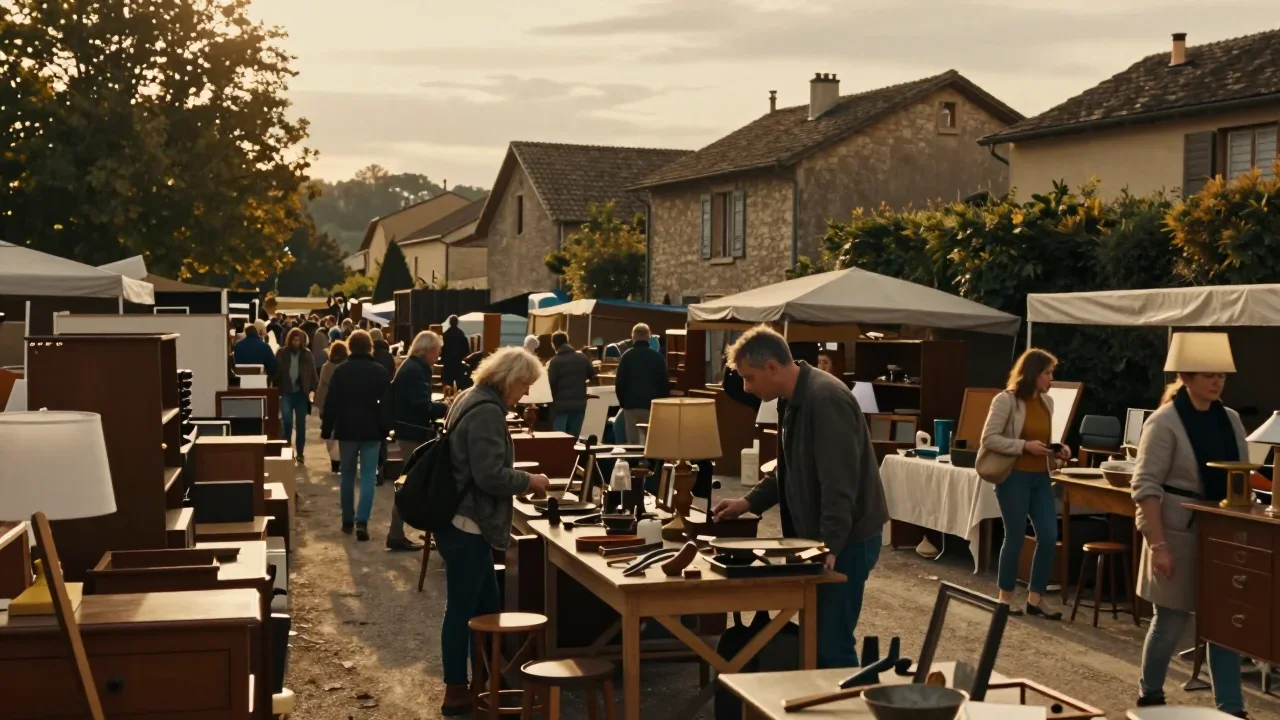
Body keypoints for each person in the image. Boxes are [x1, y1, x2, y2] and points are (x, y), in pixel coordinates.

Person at [713, 326, 887, 669]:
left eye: (749, 378)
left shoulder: (825, 399)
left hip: (848, 538)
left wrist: (829, 546)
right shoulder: (791, 398)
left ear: (772, 367)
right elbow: (790, 466)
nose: (746, 387)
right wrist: (748, 502)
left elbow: (840, 484)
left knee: (830, 643)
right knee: (816, 637)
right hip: (826, 538)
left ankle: (848, 699)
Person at [1133, 334, 1247, 716]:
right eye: (1208, 375)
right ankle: (1150, 695)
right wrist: (1158, 545)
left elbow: (1240, 476)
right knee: (1170, 621)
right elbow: (1145, 485)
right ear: (1186, 377)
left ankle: (1231, 708)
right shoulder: (1164, 422)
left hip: (1221, 530)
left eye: (1221, 375)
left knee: (1223, 623)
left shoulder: (1231, 420)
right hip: (1176, 531)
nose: (1217, 382)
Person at [436, 348, 552, 715]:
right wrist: (530, 480)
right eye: (524, 384)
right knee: (464, 609)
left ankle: (487, 681)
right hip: (469, 523)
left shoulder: (471, 397)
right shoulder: (487, 410)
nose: (526, 392)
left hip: (463, 521)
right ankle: (457, 689)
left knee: (486, 607)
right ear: (509, 379)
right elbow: (489, 476)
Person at [980, 349, 1071, 619]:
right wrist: (1024, 446)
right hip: (1014, 476)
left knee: (1049, 536)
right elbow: (989, 438)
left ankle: (1035, 598)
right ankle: (1005, 598)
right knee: (1015, 536)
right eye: (1047, 373)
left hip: (1041, 477)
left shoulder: (1047, 402)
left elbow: (1040, 439)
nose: (1051, 378)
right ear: (1033, 374)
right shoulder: (1006, 400)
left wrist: (1057, 449)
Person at [320, 330, 391, 542]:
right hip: (372, 430)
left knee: (347, 475)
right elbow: (389, 404)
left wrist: (327, 429)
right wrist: (386, 429)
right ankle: (362, 521)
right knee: (368, 476)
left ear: (350, 347)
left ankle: (347, 520)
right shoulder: (380, 372)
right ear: (370, 347)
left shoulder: (341, 371)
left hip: (347, 429)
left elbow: (331, 402)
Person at [385, 331, 448, 551]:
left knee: (414, 484)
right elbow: (421, 405)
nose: (438, 357)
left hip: (410, 431)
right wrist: (445, 407)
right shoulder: (415, 370)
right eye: (437, 352)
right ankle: (396, 534)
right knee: (412, 485)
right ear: (427, 350)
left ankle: (399, 533)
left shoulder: (412, 366)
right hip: (413, 433)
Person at [614, 323, 669, 444]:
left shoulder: (626, 356)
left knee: (633, 442)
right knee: (651, 442)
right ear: (649, 336)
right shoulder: (658, 358)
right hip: (652, 407)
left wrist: (623, 403)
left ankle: (634, 456)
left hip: (631, 406)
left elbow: (619, 383)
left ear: (633, 336)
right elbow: (664, 384)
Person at [273, 328, 319, 463]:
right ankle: (287, 447)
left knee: (300, 425)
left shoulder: (307, 354)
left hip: (301, 394)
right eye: (294, 340)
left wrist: (314, 390)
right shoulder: (282, 353)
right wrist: (275, 384)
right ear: (290, 340)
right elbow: (275, 371)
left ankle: (300, 453)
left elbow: (313, 373)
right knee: (286, 421)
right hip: (286, 391)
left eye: (299, 340)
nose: (296, 343)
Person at [546, 331, 595, 438]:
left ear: (553, 344)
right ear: (567, 341)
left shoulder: (555, 361)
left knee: (559, 439)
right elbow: (593, 375)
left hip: (560, 407)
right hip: (579, 405)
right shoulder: (582, 357)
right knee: (573, 438)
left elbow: (550, 383)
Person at [316, 340, 348, 473]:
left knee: (330, 434)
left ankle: (335, 461)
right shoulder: (341, 368)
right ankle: (337, 460)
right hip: (336, 405)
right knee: (336, 434)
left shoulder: (326, 366)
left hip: (326, 405)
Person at [441, 315, 469, 389]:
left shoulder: (446, 334)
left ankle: (447, 394)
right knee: (459, 383)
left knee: (447, 383)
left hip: (448, 362)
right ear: (457, 322)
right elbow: (465, 348)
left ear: (450, 323)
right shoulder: (461, 333)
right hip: (458, 361)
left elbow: (443, 348)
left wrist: (442, 358)